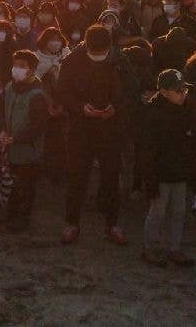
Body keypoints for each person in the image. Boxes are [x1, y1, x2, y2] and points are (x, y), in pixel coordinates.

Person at [57, 25, 126, 245]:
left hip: (110, 128)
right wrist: (80, 108)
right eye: (94, 53)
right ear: (85, 45)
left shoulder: (119, 61)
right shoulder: (71, 62)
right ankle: (72, 223)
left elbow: (131, 90)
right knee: (77, 177)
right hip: (80, 128)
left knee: (111, 177)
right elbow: (63, 92)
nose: (97, 56)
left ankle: (112, 224)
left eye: (101, 53)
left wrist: (115, 107)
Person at [141, 69, 196, 267]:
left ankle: (174, 247)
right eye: (177, 91)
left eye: (184, 90)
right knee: (158, 212)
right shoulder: (153, 115)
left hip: (179, 171)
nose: (182, 94)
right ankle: (150, 248)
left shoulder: (185, 110)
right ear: (163, 92)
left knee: (179, 212)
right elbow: (148, 151)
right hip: (161, 173)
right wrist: (151, 179)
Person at [0, 49, 49, 232]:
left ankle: (23, 218)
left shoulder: (37, 95)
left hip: (29, 152)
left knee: (26, 187)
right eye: (15, 65)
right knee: (12, 183)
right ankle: (11, 215)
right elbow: (1, 112)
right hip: (10, 148)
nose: (17, 69)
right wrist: (2, 130)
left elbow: (38, 126)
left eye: (22, 66)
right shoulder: (9, 88)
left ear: (32, 70)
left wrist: (17, 138)